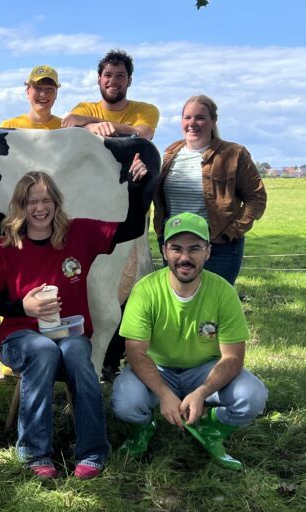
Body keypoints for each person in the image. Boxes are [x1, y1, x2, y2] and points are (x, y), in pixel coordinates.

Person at [0, 168, 148, 480]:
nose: (39, 208)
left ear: (57, 203)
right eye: (31, 202)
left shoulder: (78, 234)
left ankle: (93, 451)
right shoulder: (6, 246)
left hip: (69, 332)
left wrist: (137, 187)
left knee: (76, 354)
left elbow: (133, 227)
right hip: (20, 337)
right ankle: (34, 452)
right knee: (43, 350)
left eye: (46, 200)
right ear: (20, 205)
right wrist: (24, 306)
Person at [110, 212, 268, 470]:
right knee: (125, 402)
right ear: (164, 251)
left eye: (194, 248)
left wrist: (202, 391)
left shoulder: (223, 292)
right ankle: (142, 427)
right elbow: (136, 352)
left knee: (252, 396)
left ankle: (212, 428)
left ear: (208, 252)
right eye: (176, 248)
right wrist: (163, 393)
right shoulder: (145, 290)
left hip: (205, 369)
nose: (184, 257)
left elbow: (233, 357)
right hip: (157, 368)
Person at [153, 95, 267, 285]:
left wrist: (231, 231)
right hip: (176, 245)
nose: (192, 123)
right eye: (187, 117)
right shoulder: (170, 153)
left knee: (214, 307)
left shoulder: (234, 154)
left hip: (218, 248)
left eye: (200, 117)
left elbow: (256, 198)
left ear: (213, 121)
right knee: (179, 304)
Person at [61, 50, 159, 139]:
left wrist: (92, 122)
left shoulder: (146, 110)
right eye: (108, 75)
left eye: (120, 76)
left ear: (129, 81)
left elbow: (142, 135)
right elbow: (70, 133)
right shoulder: (84, 109)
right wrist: (89, 127)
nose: (112, 81)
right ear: (99, 80)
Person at [0, 66, 62, 130]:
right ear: (28, 91)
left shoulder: (65, 128)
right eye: (38, 88)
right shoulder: (9, 127)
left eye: (49, 89)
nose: (43, 94)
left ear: (56, 93)